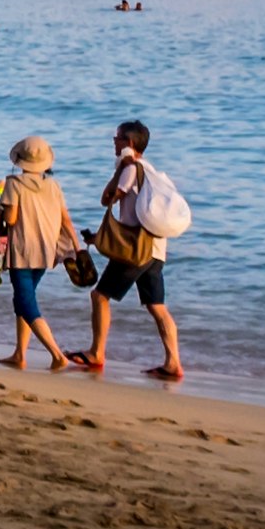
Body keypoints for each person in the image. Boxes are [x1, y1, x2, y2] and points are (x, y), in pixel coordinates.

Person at [84, 118, 183, 381]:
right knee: (157, 306)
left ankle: (97, 353)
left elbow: (107, 199)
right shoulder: (154, 172)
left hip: (135, 250)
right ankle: (173, 362)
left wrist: (120, 168)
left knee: (100, 296)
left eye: (117, 138)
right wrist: (99, 238)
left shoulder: (131, 169)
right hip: (156, 249)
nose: (113, 143)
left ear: (128, 143)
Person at [0, 135, 83, 371]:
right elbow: (66, 219)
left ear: (20, 160)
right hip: (46, 250)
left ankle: (57, 354)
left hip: (21, 250)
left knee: (27, 303)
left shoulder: (14, 184)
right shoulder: (53, 185)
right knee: (23, 298)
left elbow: (10, 219)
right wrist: (77, 248)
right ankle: (20, 354)